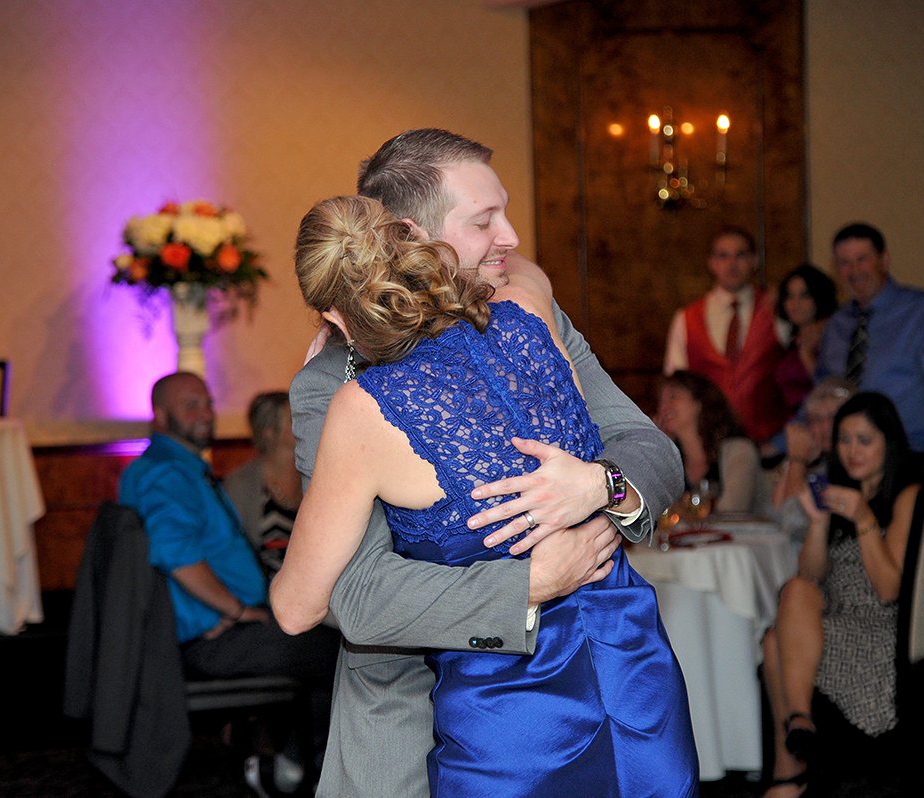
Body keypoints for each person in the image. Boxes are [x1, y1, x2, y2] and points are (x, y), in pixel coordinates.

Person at [289, 129, 687, 798]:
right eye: (484, 220)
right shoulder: (333, 387)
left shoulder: (529, 316)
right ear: (415, 235)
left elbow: (651, 449)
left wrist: (599, 487)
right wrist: (527, 584)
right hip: (418, 714)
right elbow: (352, 589)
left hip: (603, 667)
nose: (510, 237)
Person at [117, 373, 340, 788]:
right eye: (190, 405)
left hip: (217, 627)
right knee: (341, 650)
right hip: (211, 639)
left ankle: (298, 759)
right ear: (161, 416)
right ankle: (314, 767)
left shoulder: (181, 470)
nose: (205, 413)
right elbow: (176, 556)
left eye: (207, 402)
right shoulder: (166, 474)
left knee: (321, 637)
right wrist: (231, 610)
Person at [760, 392, 921, 798]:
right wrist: (818, 523)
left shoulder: (906, 495)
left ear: (889, 441)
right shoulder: (836, 487)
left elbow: (888, 590)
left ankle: (789, 773)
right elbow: (812, 575)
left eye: (864, 440)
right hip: (831, 610)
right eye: (844, 439)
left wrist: (863, 516)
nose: (852, 451)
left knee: (774, 642)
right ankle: (801, 721)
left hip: (880, 625)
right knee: (796, 587)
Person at [814, 222, 924, 478]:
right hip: (849, 461)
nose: (854, 271)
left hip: (910, 457)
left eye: (862, 259)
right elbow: (822, 390)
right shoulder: (837, 325)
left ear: (884, 260)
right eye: (844, 263)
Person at [663, 226, 789, 444]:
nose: (732, 264)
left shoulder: (777, 311)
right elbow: (674, 386)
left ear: (755, 261)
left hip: (768, 442)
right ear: (712, 263)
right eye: (723, 256)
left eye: (740, 255)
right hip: (708, 445)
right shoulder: (686, 318)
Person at [656, 370, 768, 515]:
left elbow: (732, 510)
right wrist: (657, 451)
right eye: (660, 401)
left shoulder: (738, 450)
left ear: (700, 402)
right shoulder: (669, 460)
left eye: (673, 397)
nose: (663, 408)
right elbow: (654, 515)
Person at [224, 391, 300, 575]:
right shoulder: (241, 484)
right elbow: (230, 551)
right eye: (294, 418)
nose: (306, 422)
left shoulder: (313, 474)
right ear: (269, 431)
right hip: (260, 596)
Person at [771, 378, 854, 545]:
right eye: (816, 419)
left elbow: (794, 523)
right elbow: (777, 516)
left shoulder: (853, 466)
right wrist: (795, 460)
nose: (824, 427)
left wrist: (798, 459)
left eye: (832, 417)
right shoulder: (816, 464)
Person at [774, 263, 838, 416]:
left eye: (804, 295)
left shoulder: (832, 336)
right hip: (790, 423)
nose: (795, 304)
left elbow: (832, 390)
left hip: (819, 422)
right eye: (789, 296)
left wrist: (807, 354)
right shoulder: (791, 338)